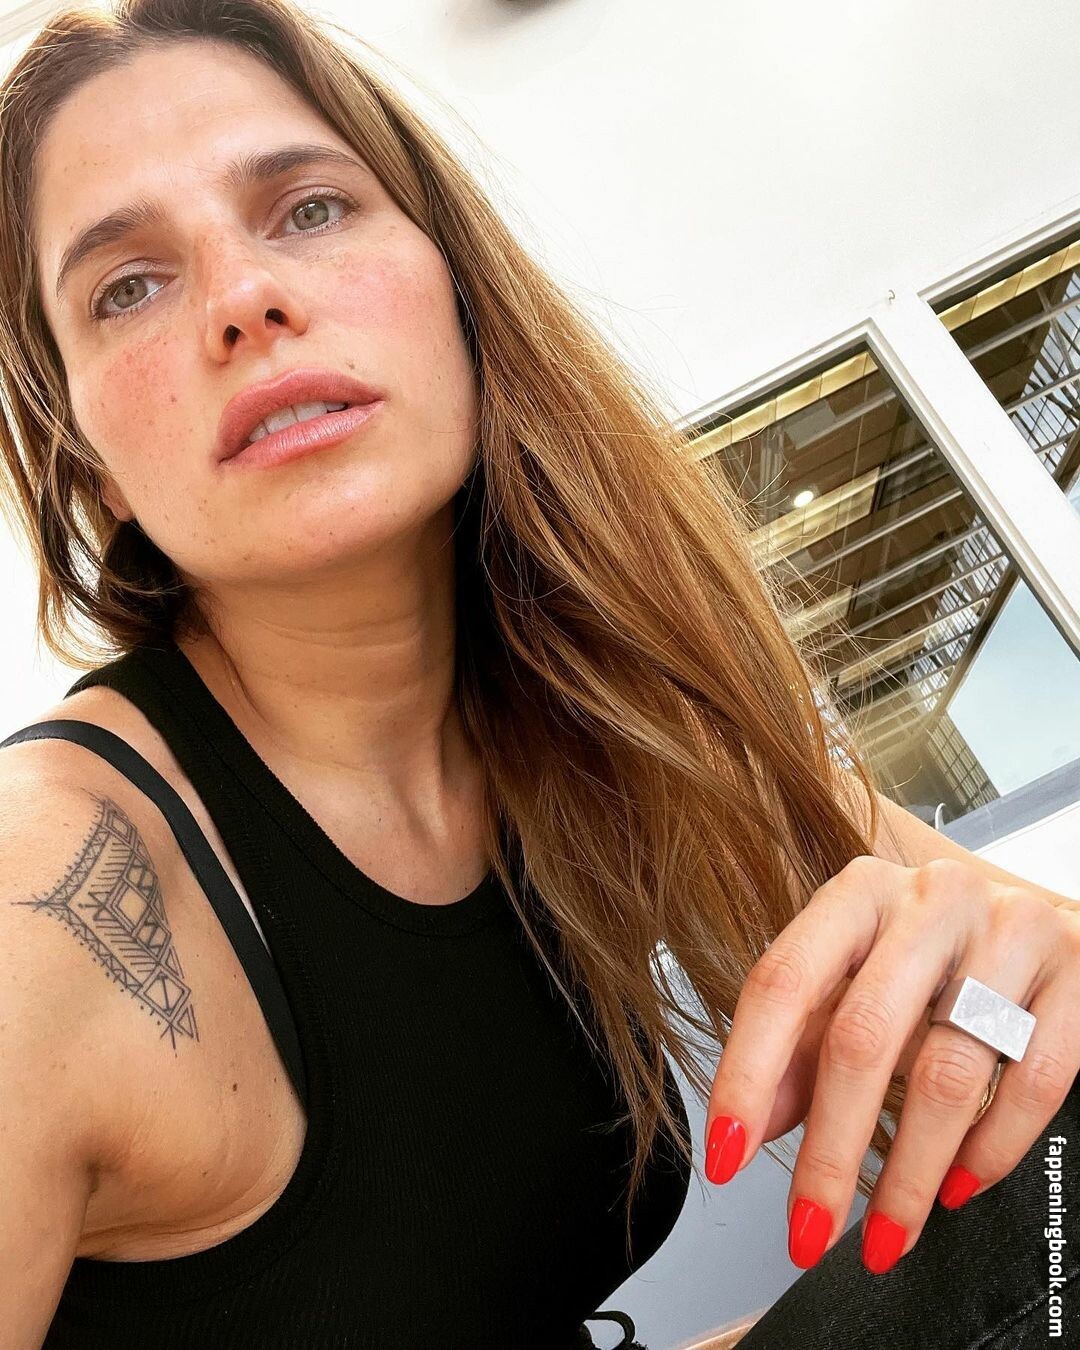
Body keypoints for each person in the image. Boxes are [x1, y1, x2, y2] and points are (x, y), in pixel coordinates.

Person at [0, 1, 1074, 1347]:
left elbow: (1031, 991)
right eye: (127, 287)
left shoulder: (596, 711)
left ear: (456, 286)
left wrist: (1030, 970)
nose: (242, 299)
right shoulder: (43, 904)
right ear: (91, 466)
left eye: (310, 209)